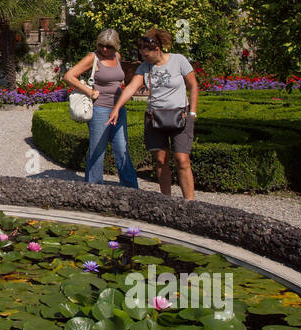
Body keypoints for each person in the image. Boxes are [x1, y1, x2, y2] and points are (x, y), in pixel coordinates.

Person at [107, 26, 200, 201]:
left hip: (181, 116)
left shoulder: (179, 60)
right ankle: (166, 200)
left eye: (146, 54)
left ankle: (190, 202)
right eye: (142, 55)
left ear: (157, 49)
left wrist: (193, 113)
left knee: (182, 160)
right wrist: (116, 108)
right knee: (160, 160)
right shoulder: (144, 67)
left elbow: (193, 85)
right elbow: (131, 88)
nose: (144, 58)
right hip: (155, 118)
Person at [65, 29, 139, 187]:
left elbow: (119, 79)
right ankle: (93, 187)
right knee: (97, 150)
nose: (104, 49)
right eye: (101, 45)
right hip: (100, 109)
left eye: (109, 46)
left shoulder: (117, 57)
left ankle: (131, 188)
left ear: (116, 46)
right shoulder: (93, 58)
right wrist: (89, 91)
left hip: (118, 109)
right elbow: (69, 76)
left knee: (121, 148)